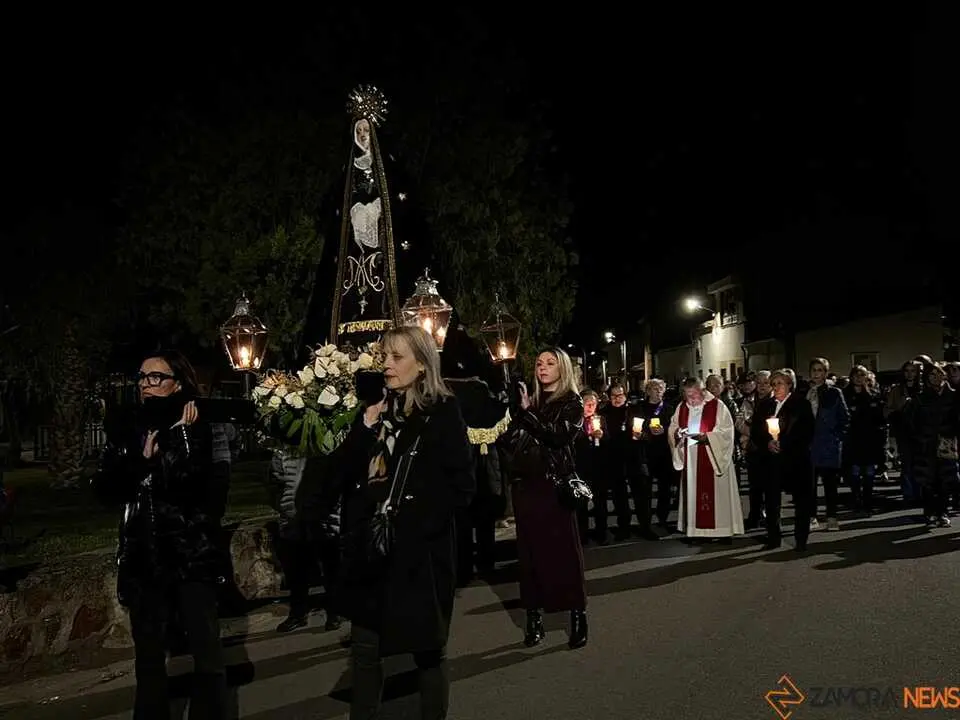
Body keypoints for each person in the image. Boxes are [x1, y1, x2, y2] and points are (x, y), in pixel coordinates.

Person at [334, 326, 475, 720]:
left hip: (419, 556)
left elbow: (462, 486)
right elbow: (342, 476)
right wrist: (364, 427)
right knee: (364, 650)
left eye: (397, 357)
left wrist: (416, 524)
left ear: (422, 364)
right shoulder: (376, 411)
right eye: (385, 357)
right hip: (372, 552)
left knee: (428, 652)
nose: (387, 365)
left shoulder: (442, 412)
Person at [92, 350, 229, 719]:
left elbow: (205, 494)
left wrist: (180, 443)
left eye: (156, 378)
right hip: (144, 556)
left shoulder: (200, 425)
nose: (146, 385)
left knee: (206, 655)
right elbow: (106, 490)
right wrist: (141, 461)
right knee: (150, 660)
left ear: (177, 384)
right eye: (142, 377)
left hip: (190, 554)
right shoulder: (125, 430)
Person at [502, 348, 588, 649]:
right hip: (526, 487)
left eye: (550, 363)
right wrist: (516, 410)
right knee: (529, 558)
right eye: (539, 363)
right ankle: (533, 619)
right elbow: (508, 439)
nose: (543, 368)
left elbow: (559, 436)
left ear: (562, 368)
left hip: (554, 487)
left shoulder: (571, 402)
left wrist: (528, 414)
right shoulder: (530, 401)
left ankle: (578, 617)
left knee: (564, 555)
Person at [667, 377, 743, 542]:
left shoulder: (717, 406)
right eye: (687, 396)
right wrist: (677, 433)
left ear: (702, 392)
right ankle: (697, 532)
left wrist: (707, 437)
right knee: (693, 493)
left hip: (712, 456)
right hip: (692, 460)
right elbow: (673, 427)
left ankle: (722, 531)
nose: (690, 400)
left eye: (693, 395)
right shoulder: (682, 407)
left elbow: (727, 432)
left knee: (718, 496)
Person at [758, 369, 815, 551]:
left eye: (780, 384)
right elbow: (757, 430)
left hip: (796, 458)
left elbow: (806, 431)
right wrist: (767, 443)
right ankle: (773, 537)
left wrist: (784, 443)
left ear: (789, 385)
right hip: (772, 459)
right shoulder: (765, 405)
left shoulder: (801, 404)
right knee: (772, 500)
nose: (776, 388)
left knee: (801, 500)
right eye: (773, 384)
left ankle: (800, 539)